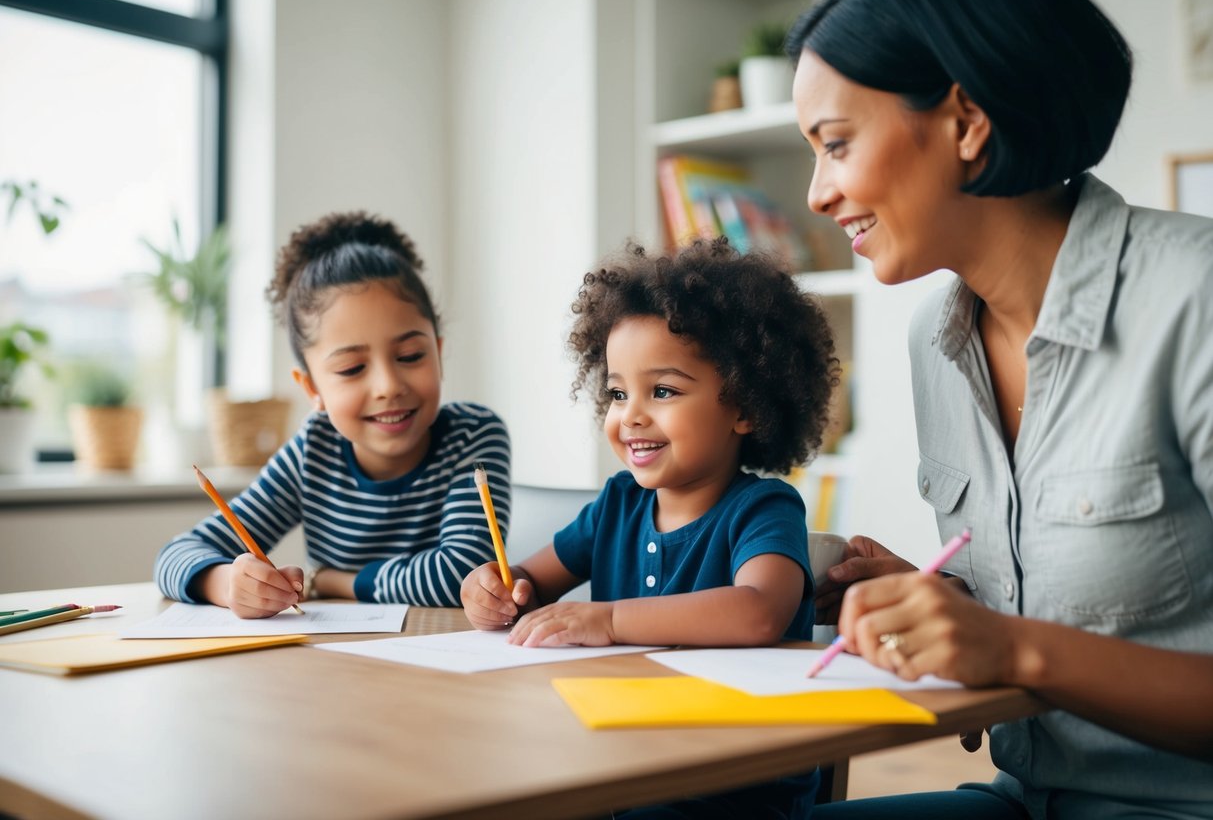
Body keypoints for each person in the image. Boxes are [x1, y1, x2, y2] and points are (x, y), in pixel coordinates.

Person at [787, 0, 1213, 817]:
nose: (816, 194)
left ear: (965, 122)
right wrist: (942, 611)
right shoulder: (934, 344)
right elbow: (1061, 618)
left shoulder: (1193, 300)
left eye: (834, 145)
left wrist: (1013, 648)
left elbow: (1035, 649)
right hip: (1027, 798)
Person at [462, 239, 838, 816]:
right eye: (617, 393)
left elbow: (758, 610)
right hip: (628, 765)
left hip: (736, 790)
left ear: (746, 408)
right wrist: (492, 590)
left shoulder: (764, 508)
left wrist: (607, 619)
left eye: (662, 391)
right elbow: (529, 583)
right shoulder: (617, 504)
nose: (631, 414)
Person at [154, 212, 511, 617]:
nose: (388, 385)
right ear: (312, 389)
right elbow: (174, 556)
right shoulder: (314, 451)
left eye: (411, 356)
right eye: (351, 369)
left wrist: (333, 580)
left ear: (439, 353)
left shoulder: (474, 435)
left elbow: (460, 575)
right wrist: (226, 584)